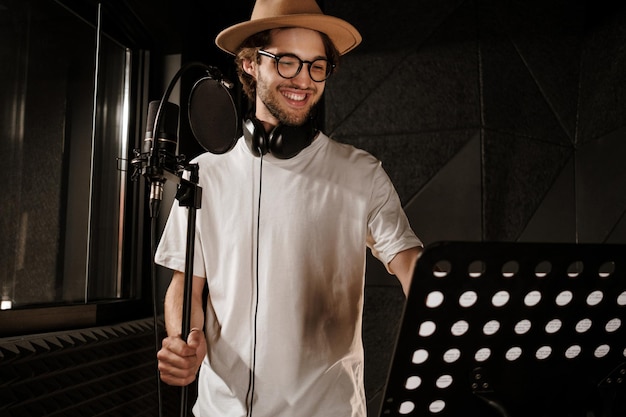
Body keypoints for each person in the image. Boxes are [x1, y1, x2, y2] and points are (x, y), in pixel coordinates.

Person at [155, 0, 423, 416]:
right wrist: (183, 339)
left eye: (317, 66)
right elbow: (185, 287)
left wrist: (450, 304)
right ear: (249, 64)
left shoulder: (361, 174)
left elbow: (409, 262)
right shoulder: (203, 174)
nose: (304, 79)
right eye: (287, 62)